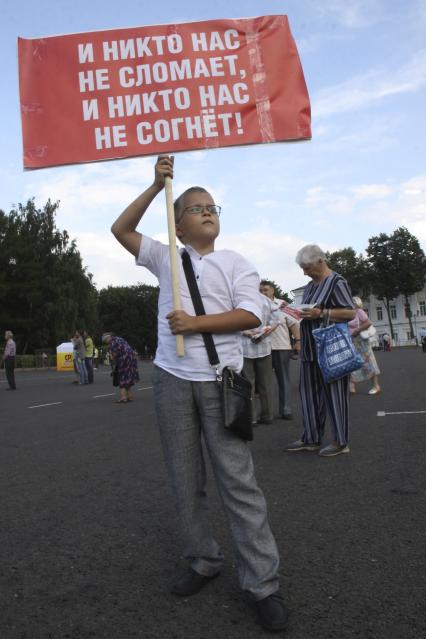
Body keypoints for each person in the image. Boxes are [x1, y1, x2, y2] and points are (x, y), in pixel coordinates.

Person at [110, 155, 287, 632]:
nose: (208, 211)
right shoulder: (166, 256)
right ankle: (202, 560)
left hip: (221, 380)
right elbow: (120, 228)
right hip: (171, 379)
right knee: (185, 479)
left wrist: (196, 323)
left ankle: (261, 583)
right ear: (178, 224)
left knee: (239, 482)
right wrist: (155, 186)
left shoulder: (235, 263)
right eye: (196, 207)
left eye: (213, 206)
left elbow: (251, 315)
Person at [285, 245, 356, 457]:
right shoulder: (309, 286)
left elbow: (351, 312)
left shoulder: (337, 282)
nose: (304, 272)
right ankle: (311, 438)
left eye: (307, 267)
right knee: (308, 395)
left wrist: (321, 313)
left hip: (330, 349)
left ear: (320, 262)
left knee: (335, 396)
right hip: (309, 349)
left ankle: (341, 442)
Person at [259, 280, 301, 420]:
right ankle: (266, 413)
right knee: (264, 382)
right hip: (262, 348)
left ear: (272, 291)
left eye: (266, 290)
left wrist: (298, 341)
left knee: (283, 379)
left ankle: (286, 409)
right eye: (261, 290)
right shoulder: (256, 305)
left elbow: (294, 324)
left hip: (281, 346)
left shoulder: (282, 305)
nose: (263, 293)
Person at [242, 294, 280, 425]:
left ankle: (251, 417)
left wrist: (246, 332)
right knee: (266, 384)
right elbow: (276, 321)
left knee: (248, 384)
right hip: (263, 346)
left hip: (244, 348)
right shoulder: (266, 300)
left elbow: (234, 323)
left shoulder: (240, 299)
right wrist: (266, 332)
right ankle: (267, 415)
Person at [348, 297, 381, 395]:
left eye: (351, 302)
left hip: (361, 341)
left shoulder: (359, 311)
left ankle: (376, 386)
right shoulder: (348, 313)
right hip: (352, 341)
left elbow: (369, 322)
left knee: (369, 362)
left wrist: (357, 330)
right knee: (352, 363)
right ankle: (352, 386)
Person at [102, 333, 139, 403]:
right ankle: (130, 396)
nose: (106, 342)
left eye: (106, 340)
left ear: (109, 337)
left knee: (122, 377)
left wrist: (113, 359)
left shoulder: (112, 342)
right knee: (128, 377)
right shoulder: (119, 339)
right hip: (131, 358)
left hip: (124, 359)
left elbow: (115, 354)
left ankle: (123, 397)